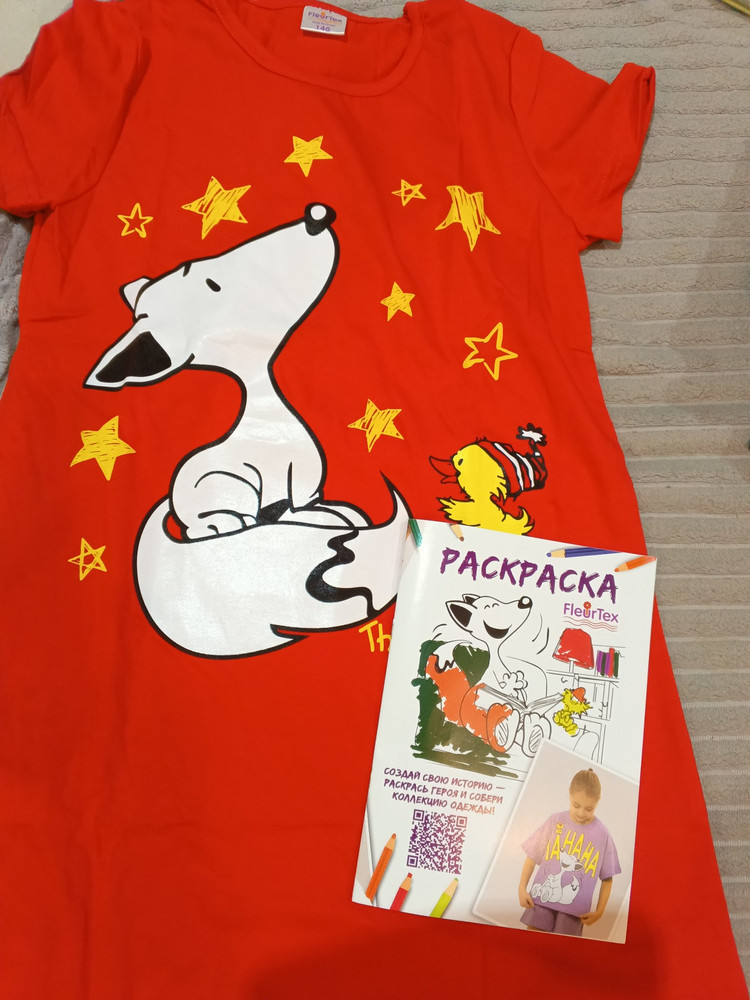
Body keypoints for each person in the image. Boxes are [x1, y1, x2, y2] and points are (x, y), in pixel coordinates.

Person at [518, 768, 620, 936]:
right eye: (576, 805)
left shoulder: (603, 834)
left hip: (574, 911)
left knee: (562, 947)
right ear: (569, 794)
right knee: (532, 943)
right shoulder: (555, 820)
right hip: (542, 898)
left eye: (589, 808)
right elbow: (532, 855)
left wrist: (599, 912)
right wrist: (522, 889)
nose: (581, 813)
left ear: (598, 802)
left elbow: (607, 878)